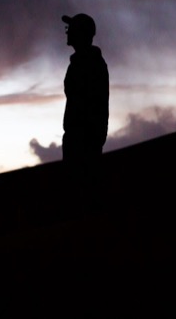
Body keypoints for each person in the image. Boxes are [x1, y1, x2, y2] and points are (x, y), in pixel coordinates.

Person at [61, 13, 109, 208]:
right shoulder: (81, 62)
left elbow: (89, 104)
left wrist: (90, 136)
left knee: (81, 197)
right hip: (77, 138)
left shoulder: (89, 63)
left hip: (84, 141)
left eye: (71, 28)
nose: (67, 32)